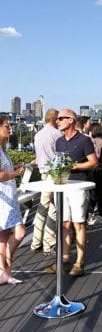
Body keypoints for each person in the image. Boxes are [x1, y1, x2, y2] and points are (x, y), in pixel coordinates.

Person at [44, 109, 97, 277]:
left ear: (71, 120)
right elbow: (57, 166)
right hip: (62, 187)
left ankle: (79, 263)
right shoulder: (59, 141)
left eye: (61, 118)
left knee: (78, 224)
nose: (57, 121)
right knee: (65, 224)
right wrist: (53, 189)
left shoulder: (84, 140)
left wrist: (75, 166)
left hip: (78, 186)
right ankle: (64, 260)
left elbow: (93, 162)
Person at [31, 108, 62, 254]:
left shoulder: (38, 135)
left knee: (42, 207)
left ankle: (36, 241)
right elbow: (59, 156)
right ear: (56, 120)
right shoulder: (57, 134)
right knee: (53, 208)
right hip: (54, 175)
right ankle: (49, 243)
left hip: (43, 173)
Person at [0, 116, 26, 284]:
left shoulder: (2, 149)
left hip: (8, 197)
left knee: (3, 237)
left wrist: (14, 167)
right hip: (3, 200)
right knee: (20, 231)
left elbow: (4, 170)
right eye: (7, 126)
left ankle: (5, 273)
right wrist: (16, 173)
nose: (10, 129)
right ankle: (5, 268)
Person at [87, 122, 102, 226]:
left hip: (97, 170)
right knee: (98, 193)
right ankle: (101, 214)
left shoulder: (97, 140)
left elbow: (97, 156)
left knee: (94, 193)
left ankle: (93, 214)